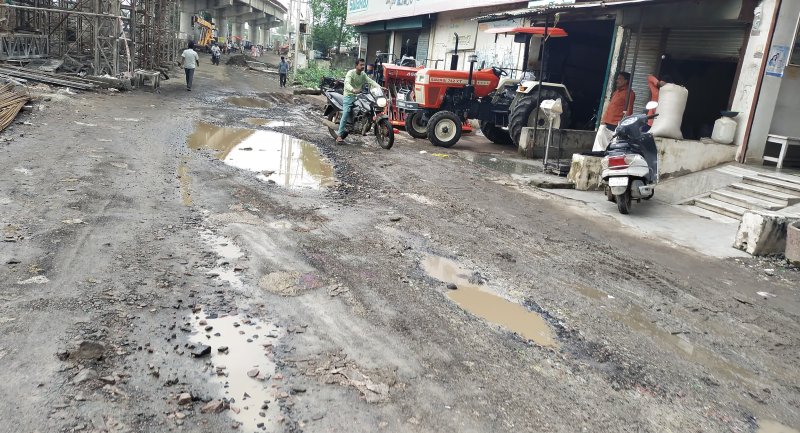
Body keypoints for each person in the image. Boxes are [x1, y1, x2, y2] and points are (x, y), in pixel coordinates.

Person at [337, 58, 380, 143]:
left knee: (368, 107)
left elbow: (370, 81)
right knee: (346, 114)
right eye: (361, 65)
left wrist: (379, 87)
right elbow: (347, 83)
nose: (363, 66)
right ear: (356, 65)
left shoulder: (363, 74)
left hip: (359, 96)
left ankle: (364, 125)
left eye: (363, 65)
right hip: (349, 96)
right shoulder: (350, 73)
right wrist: (352, 90)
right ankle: (339, 135)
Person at [592, 71, 635, 151]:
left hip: (616, 125)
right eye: (617, 79)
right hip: (606, 123)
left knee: (613, 147)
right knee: (599, 146)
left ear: (626, 81)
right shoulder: (616, 92)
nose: (617, 81)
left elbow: (629, 111)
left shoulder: (629, 93)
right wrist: (603, 120)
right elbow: (610, 107)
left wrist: (624, 125)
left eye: (619, 79)